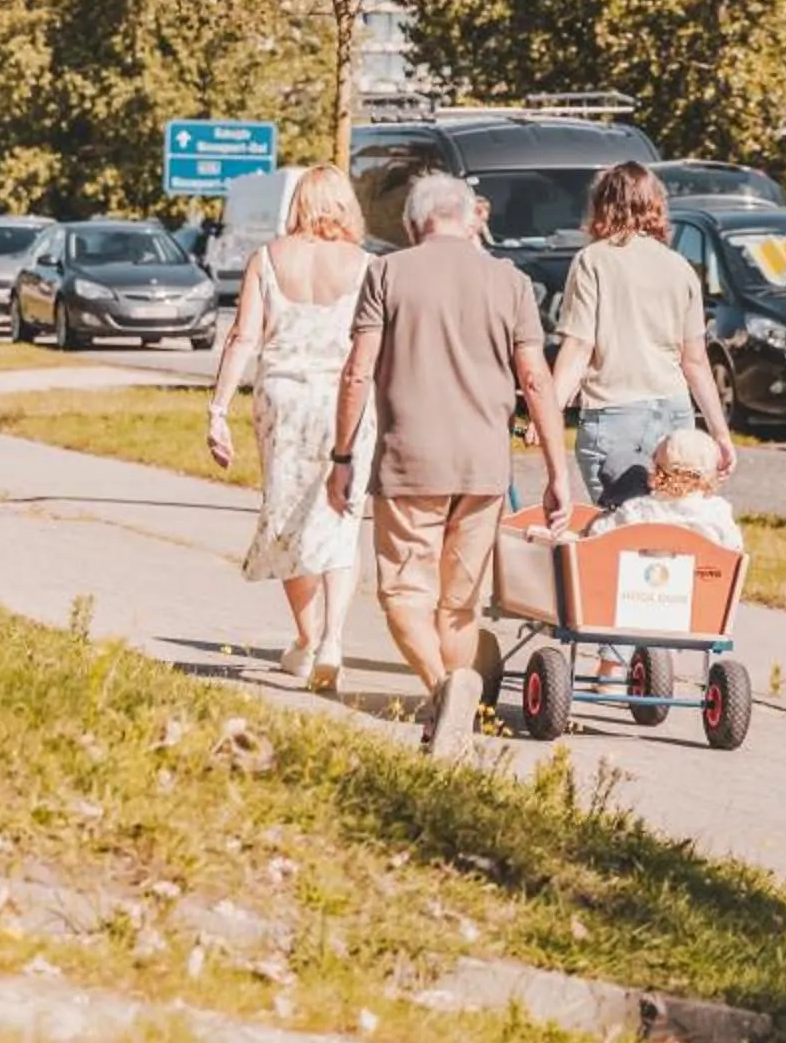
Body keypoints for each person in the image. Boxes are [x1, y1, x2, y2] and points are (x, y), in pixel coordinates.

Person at [335, 172, 570, 758]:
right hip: (484, 467)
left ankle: (446, 690)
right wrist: (557, 472)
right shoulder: (510, 281)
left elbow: (358, 371)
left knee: (403, 593)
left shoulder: (387, 273)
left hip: (409, 462)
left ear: (413, 223)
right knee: (460, 603)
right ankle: (453, 725)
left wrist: (341, 455)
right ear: (471, 219)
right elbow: (536, 380)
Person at [206, 167, 376, 693]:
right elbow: (377, 348)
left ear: (298, 203)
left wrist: (218, 409)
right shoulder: (367, 266)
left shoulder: (267, 259)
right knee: (342, 518)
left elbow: (242, 338)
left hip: (282, 402)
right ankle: (333, 640)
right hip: (344, 400)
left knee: (289, 516)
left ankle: (305, 639)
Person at [550, 162, 734, 507]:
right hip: (675, 412)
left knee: (622, 525)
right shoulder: (679, 267)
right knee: (673, 519)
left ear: (601, 205)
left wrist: (544, 414)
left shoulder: (593, 261)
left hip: (615, 412)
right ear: (657, 206)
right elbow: (695, 362)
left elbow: (578, 348)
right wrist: (720, 433)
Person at [588, 427, 743, 550]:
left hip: (640, 580)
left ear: (656, 470)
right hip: (699, 580)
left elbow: (597, 534)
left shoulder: (638, 510)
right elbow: (734, 549)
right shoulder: (717, 512)